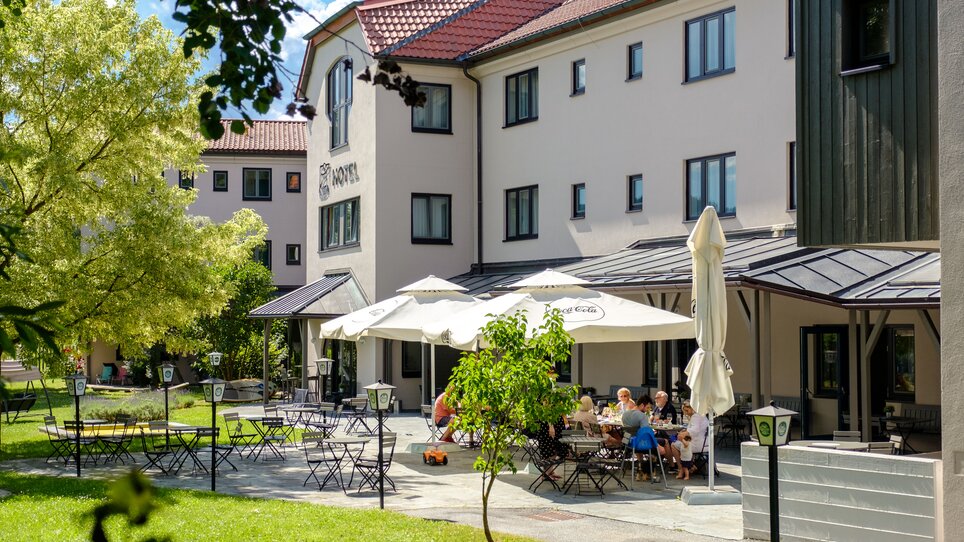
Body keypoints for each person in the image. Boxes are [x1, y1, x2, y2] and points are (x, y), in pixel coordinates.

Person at [671, 401, 708, 475]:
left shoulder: (696, 416)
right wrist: (686, 431)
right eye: (684, 411)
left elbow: (695, 430)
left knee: (673, 444)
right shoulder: (701, 415)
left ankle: (681, 468)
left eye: (687, 410)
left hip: (698, 444)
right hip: (705, 443)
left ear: (692, 408)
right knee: (681, 442)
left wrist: (684, 433)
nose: (686, 413)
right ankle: (690, 466)